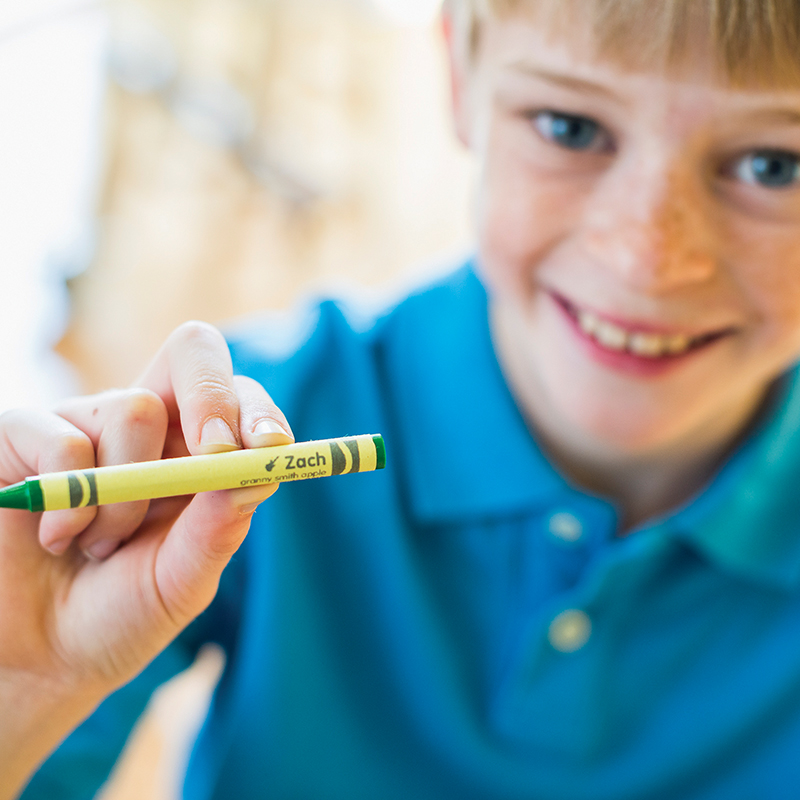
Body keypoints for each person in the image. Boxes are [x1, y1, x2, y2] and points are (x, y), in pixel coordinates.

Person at [6, 0, 800, 796]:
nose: (646, 257)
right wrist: (22, 692)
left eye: (775, 165)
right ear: (458, 71)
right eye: (569, 127)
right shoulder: (245, 436)